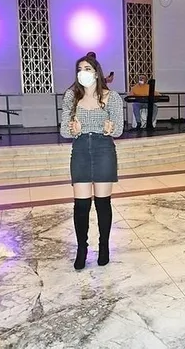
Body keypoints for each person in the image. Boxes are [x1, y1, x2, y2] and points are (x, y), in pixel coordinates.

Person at [60, 55, 124, 270]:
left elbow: (119, 129)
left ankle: (104, 247)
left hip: (103, 149)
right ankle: (82, 249)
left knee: (103, 203)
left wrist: (110, 128)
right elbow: (63, 130)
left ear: (96, 72)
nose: (83, 72)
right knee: (81, 205)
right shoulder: (71, 96)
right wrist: (73, 129)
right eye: (79, 69)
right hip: (80, 150)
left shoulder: (112, 97)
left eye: (87, 68)